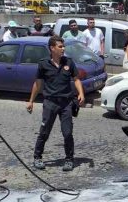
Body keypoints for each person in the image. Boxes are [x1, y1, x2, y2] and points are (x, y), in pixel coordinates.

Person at [27, 36, 85, 172]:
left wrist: (81, 93)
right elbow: (38, 83)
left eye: (63, 46)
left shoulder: (69, 62)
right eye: (60, 47)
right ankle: (37, 157)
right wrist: (31, 101)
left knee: (67, 133)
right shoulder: (43, 64)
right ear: (52, 48)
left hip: (66, 103)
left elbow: (76, 79)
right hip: (50, 103)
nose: (63, 49)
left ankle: (69, 159)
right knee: (44, 132)